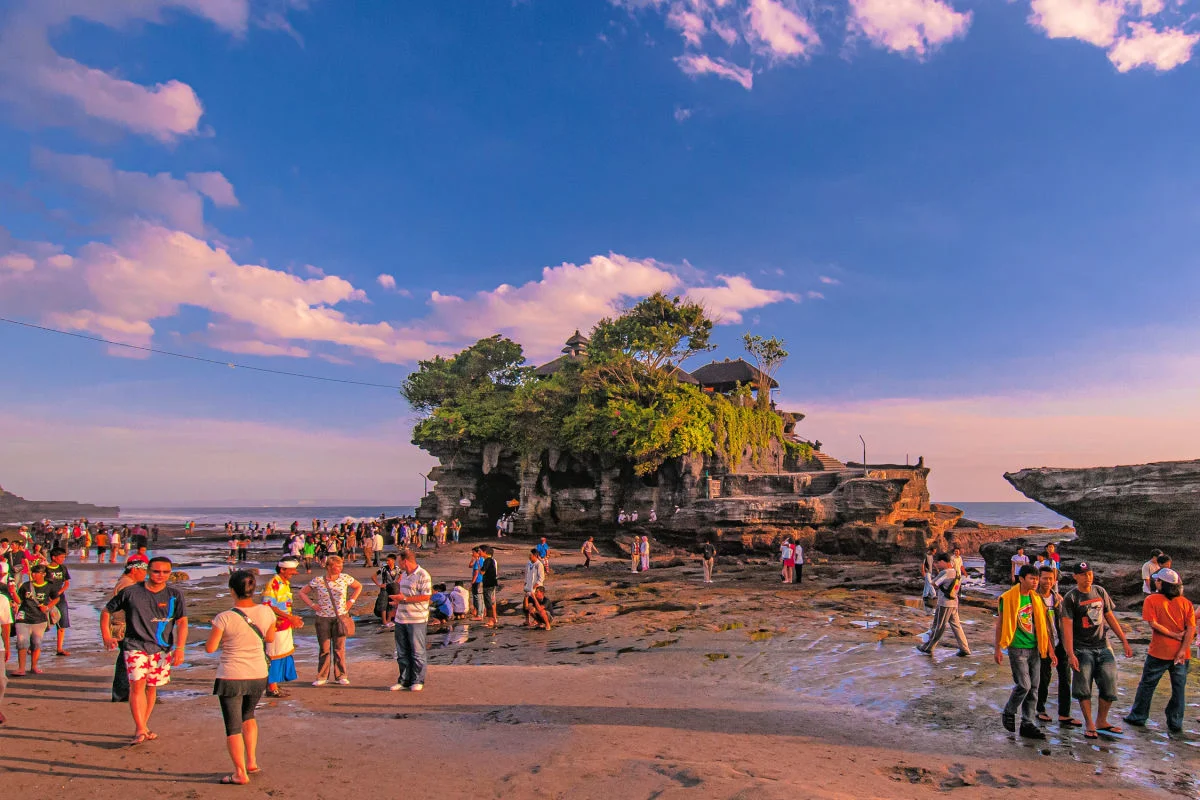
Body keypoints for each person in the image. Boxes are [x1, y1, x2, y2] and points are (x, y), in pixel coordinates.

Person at [101, 556, 188, 745]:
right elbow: (106, 611)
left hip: (161, 648)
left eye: (165, 572)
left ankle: (143, 725)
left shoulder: (175, 595)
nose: (160, 575)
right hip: (134, 645)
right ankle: (140, 728)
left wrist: (180, 648)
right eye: (156, 571)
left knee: (151, 687)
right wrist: (106, 636)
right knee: (137, 686)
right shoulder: (131, 592)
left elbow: (181, 622)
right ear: (148, 571)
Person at [205, 570, 276, 785]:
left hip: (232, 674)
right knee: (249, 715)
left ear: (232, 591)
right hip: (258, 673)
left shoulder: (224, 617)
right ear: (253, 590)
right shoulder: (267, 612)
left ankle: (240, 772)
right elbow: (271, 637)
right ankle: (252, 761)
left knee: (233, 725)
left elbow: (210, 648)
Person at [1060, 562, 1134, 740]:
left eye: (1089, 573)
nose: (1088, 577)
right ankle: (1090, 723)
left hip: (1103, 645)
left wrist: (1124, 640)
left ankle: (1102, 720)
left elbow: (1110, 616)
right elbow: (1067, 629)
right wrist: (1070, 654)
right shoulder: (1071, 598)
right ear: (1075, 576)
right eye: (1083, 574)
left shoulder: (1100, 592)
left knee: (1109, 684)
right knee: (1083, 687)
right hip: (1081, 648)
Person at [1123, 568, 1195, 733]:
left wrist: (1172, 635)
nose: (1156, 582)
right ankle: (1175, 722)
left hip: (1159, 651)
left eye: (1158, 580)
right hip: (1182, 653)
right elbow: (1191, 628)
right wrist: (1183, 649)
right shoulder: (1186, 603)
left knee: (1147, 685)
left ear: (1163, 584)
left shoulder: (1152, 600)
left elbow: (1153, 624)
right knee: (1179, 688)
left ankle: (1138, 716)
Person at [994, 564, 1054, 739]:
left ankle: (1027, 723)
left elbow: (1044, 626)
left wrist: (1050, 649)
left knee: (1034, 688)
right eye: (1031, 578)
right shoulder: (1009, 598)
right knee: (1024, 685)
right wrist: (997, 649)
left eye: (1036, 579)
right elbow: (1000, 624)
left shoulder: (1036, 599)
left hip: (1035, 648)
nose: (1035, 582)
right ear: (1021, 579)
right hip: (1017, 647)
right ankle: (1009, 710)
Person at [297, 555, 362, 687]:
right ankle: (322, 676)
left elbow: (358, 586)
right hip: (323, 618)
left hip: (340, 617)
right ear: (328, 567)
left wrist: (351, 601)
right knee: (324, 648)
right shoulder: (318, 580)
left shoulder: (345, 578)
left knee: (339, 648)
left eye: (340, 566)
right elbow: (302, 593)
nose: (339, 568)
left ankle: (341, 675)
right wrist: (312, 605)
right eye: (336, 566)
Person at [1035, 565, 1079, 727]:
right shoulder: (1034, 599)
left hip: (1060, 643)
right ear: (1038, 578)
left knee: (1065, 678)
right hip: (1042, 645)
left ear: (1055, 581)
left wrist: (1070, 647)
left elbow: (1066, 624)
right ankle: (1040, 709)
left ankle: (1064, 713)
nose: (1047, 581)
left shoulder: (1059, 599)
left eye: (1050, 579)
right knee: (1043, 677)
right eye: (1044, 578)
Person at [389, 549, 432, 692]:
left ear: (404, 561)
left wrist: (405, 599)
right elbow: (403, 595)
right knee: (402, 651)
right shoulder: (404, 575)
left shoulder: (423, 575)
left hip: (417, 619)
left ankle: (418, 680)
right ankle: (404, 680)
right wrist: (397, 604)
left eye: (399, 561)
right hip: (401, 618)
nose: (398, 565)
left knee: (417, 651)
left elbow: (426, 596)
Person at [109, 556, 150, 703]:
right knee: (127, 660)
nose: (145, 574)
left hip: (123, 625)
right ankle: (122, 693)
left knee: (126, 659)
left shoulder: (127, 582)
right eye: (143, 571)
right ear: (134, 570)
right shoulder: (127, 585)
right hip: (125, 626)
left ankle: (123, 692)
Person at [262, 559, 304, 698]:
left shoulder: (284, 583)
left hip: (284, 624)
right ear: (282, 570)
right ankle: (271, 687)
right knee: (274, 654)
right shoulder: (273, 583)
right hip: (275, 625)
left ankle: (274, 684)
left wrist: (291, 618)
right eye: (291, 571)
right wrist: (290, 618)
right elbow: (268, 605)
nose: (293, 574)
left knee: (282, 652)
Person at [917, 552, 971, 657]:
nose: (938, 565)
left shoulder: (945, 572)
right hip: (954, 603)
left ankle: (928, 647)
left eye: (939, 563)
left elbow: (934, 583)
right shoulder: (956, 572)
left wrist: (934, 574)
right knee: (956, 626)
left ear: (943, 562)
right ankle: (965, 648)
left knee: (938, 626)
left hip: (945, 603)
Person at [12, 563, 60, 676]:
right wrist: (13, 592)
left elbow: (56, 598)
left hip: (40, 619)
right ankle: (21, 668)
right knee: (22, 642)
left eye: (36, 573)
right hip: (23, 617)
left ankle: (34, 666)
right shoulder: (25, 585)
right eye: (32, 572)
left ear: (43, 574)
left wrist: (47, 607)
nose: (33, 575)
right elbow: (19, 601)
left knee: (36, 643)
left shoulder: (49, 586)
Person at [44, 547, 71, 657]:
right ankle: (33, 646)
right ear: (54, 557)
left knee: (62, 623)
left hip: (60, 598)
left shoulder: (63, 568)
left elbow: (67, 583)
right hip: (46, 598)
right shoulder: (46, 569)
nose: (63, 559)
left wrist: (60, 592)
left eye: (64, 557)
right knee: (42, 622)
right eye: (61, 557)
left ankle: (59, 648)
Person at [373, 554, 402, 630]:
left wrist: (397, 582)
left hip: (392, 587)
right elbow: (373, 576)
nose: (387, 562)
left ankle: (388, 620)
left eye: (388, 560)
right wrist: (379, 585)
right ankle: (384, 621)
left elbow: (401, 575)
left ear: (393, 560)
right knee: (383, 603)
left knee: (390, 603)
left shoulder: (397, 568)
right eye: (387, 560)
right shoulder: (383, 568)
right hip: (385, 587)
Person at [481, 546, 500, 628]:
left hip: (488, 584)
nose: (479, 553)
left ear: (485, 552)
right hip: (492, 583)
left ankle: (491, 620)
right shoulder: (492, 560)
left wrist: (479, 567)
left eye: (480, 551)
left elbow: (482, 572)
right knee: (491, 602)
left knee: (488, 603)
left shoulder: (487, 561)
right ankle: (493, 619)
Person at [470, 547, 485, 620]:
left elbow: (476, 573)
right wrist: (473, 559)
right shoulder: (481, 560)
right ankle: (481, 613)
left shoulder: (478, 561)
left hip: (478, 581)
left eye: (473, 553)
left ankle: (479, 615)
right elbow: (470, 565)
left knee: (478, 597)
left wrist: (472, 582)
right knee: (480, 598)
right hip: (481, 580)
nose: (472, 554)